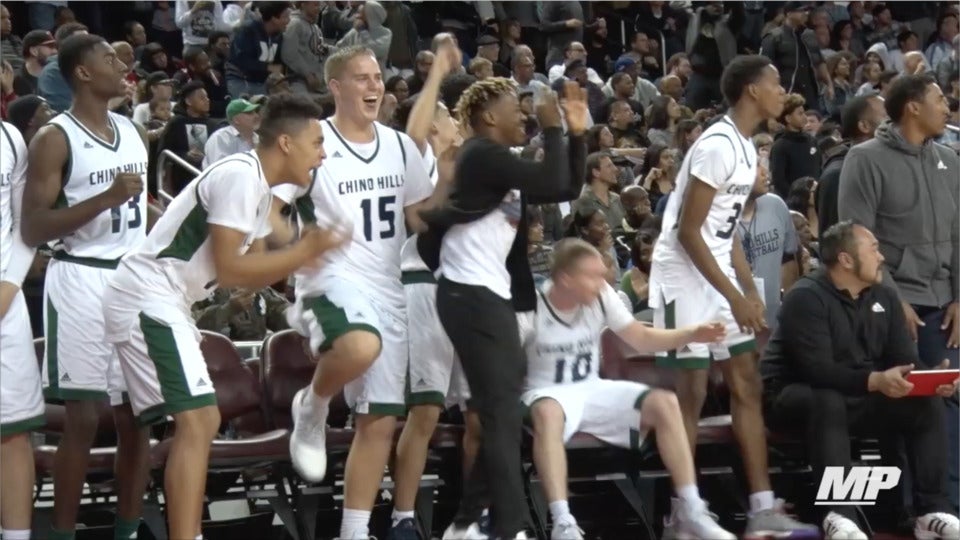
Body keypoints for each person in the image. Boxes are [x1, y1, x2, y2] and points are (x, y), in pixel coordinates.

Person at [102, 93, 344, 540]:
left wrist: (301, 254)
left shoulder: (257, 188)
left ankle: (135, 531)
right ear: (286, 143)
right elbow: (233, 268)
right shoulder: (239, 176)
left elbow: (245, 276)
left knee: (156, 425)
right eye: (316, 143)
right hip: (148, 296)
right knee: (200, 420)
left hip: (162, 299)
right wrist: (303, 251)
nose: (323, 154)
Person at [648, 54, 818, 537]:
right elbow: (687, 232)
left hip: (715, 269)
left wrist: (747, 289)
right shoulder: (717, 145)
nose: (782, 91)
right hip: (682, 275)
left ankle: (762, 505)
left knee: (747, 381)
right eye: (776, 83)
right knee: (693, 390)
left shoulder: (746, 147)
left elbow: (724, 237)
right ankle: (684, 510)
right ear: (751, 91)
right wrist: (735, 294)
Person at [276, 45, 437, 540]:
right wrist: (286, 248)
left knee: (380, 421)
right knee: (358, 344)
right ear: (337, 87)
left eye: (378, 77)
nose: (374, 86)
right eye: (361, 78)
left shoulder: (401, 147)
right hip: (330, 278)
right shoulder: (312, 141)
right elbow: (271, 208)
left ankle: (354, 532)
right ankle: (314, 405)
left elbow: (419, 221)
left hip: (388, 287)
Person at [416, 78, 588, 539]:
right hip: (468, 296)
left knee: (504, 414)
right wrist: (552, 131)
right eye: (517, 109)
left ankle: (466, 523)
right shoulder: (480, 154)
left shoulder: (501, 163)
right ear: (489, 117)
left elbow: (565, 184)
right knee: (501, 416)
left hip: (489, 296)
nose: (526, 116)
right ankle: (507, 526)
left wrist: (577, 133)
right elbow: (551, 176)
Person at [20, 33, 153, 540]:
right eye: (109, 58)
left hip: (132, 277)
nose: (122, 64)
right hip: (80, 278)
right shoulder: (55, 138)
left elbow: (138, 208)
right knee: (83, 417)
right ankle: (62, 532)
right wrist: (104, 198)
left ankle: (128, 529)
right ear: (81, 72)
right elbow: (34, 227)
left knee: (139, 416)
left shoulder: (130, 130)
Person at [523, 239, 734, 540]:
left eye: (602, 273)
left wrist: (692, 333)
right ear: (566, 278)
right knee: (548, 411)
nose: (603, 281)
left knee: (665, 402)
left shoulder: (602, 295)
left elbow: (641, 338)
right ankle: (563, 522)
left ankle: (689, 509)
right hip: (544, 391)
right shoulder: (531, 305)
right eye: (592, 275)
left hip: (590, 388)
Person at [761, 221, 960, 540]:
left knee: (926, 403)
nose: (882, 257)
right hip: (790, 396)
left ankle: (932, 510)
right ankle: (839, 515)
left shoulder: (885, 296)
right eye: (874, 249)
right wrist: (876, 380)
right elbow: (816, 370)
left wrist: (931, 379)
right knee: (827, 399)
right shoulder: (806, 297)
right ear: (846, 260)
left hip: (857, 393)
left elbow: (902, 359)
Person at [838, 73, 960, 511]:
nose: (947, 107)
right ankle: (911, 509)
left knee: (949, 399)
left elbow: (959, 235)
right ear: (912, 106)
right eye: (940, 99)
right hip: (889, 304)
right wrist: (892, 299)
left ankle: (943, 507)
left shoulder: (950, 160)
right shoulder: (864, 159)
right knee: (913, 405)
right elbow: (855, 240)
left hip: (945, 305)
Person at [388, 44, 474, 540]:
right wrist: (437, 76)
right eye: (446, 115)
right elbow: (419, 221)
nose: (452, 120)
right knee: (425, 409)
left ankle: (468, 517)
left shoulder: (474, 162)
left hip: (468, 291)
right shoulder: (419, 160)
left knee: (479, 414)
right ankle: (402, 517)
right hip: (424, 284)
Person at [0, 120, 45, 540]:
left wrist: (10, 285)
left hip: (4, 303)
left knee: (12, 433)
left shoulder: (11, 138)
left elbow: (25, 228)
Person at [816, 92, 886, 233]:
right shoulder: (837, 176)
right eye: (887, 117)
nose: (895, 122)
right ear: (864, 126)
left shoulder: (884, 165)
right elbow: (834, 242)